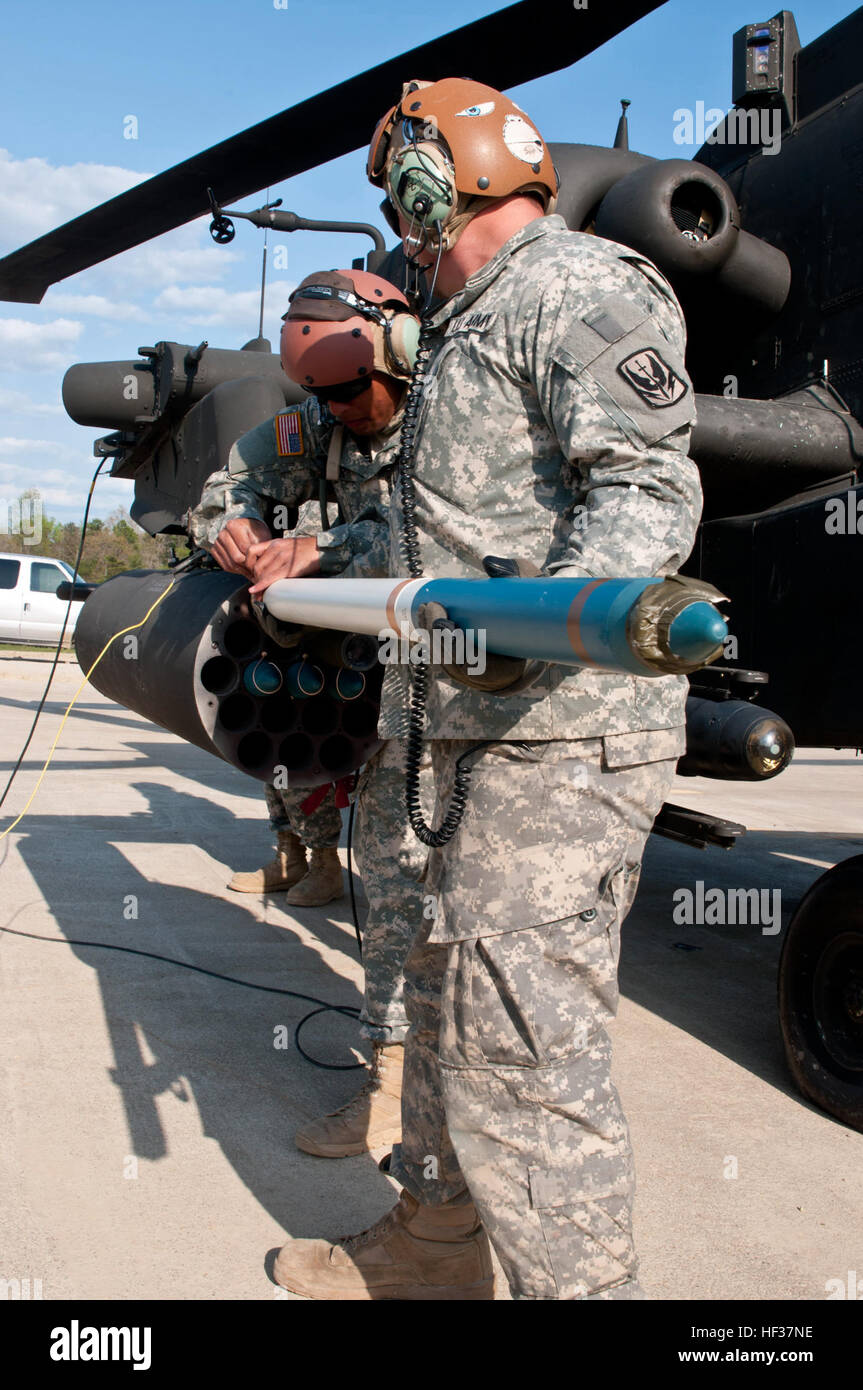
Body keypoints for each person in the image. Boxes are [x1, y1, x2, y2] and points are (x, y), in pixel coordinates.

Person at [273, 79, 703, 1300]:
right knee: (436, 994)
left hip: (554, 737)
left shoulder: (580, 286)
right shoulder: (461, 325)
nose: (395, 226)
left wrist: (547, 625)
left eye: (398, 194)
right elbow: (439, 540)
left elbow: (646, 493)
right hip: (453, 729)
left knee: (520, 1048)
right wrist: (315, 558)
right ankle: (433, 1243)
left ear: (433, 179)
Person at [189, 270, 432, 1156]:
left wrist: (317, 546)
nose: (344, 413)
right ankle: (395, 1073)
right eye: (324, 397)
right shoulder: (317, 422)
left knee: (411, 869)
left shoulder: (451, 411)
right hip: (364, 673)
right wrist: (232, 525)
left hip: (453, 674)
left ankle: (408, 1082)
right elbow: (230, 482)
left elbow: (429, 535)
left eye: (354, 393)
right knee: (388, 863)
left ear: (399, 353)